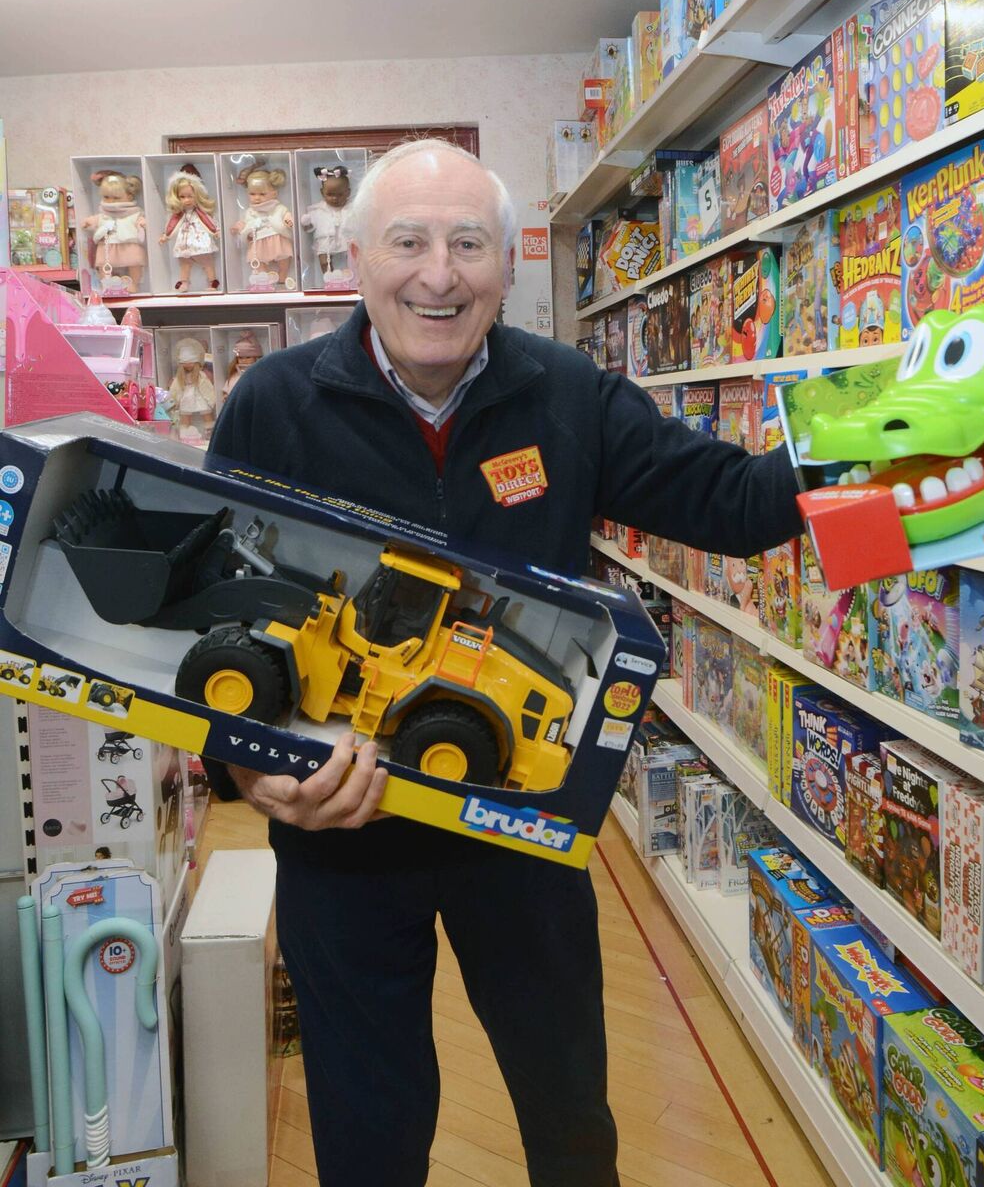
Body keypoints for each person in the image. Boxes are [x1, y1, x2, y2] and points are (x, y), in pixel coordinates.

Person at [207, 138, 804, 1187]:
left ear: (507, 263)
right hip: (342, 835)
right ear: (357, 259)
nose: (438, 275)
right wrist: (249, 771)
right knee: (366, 1121)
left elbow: (732, 502)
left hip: (519, 825)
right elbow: (218, 606)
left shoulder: (568, 393)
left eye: (467, 244)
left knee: (567, 1106)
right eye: (408, 242)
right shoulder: (274, 402)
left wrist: (868, 444)